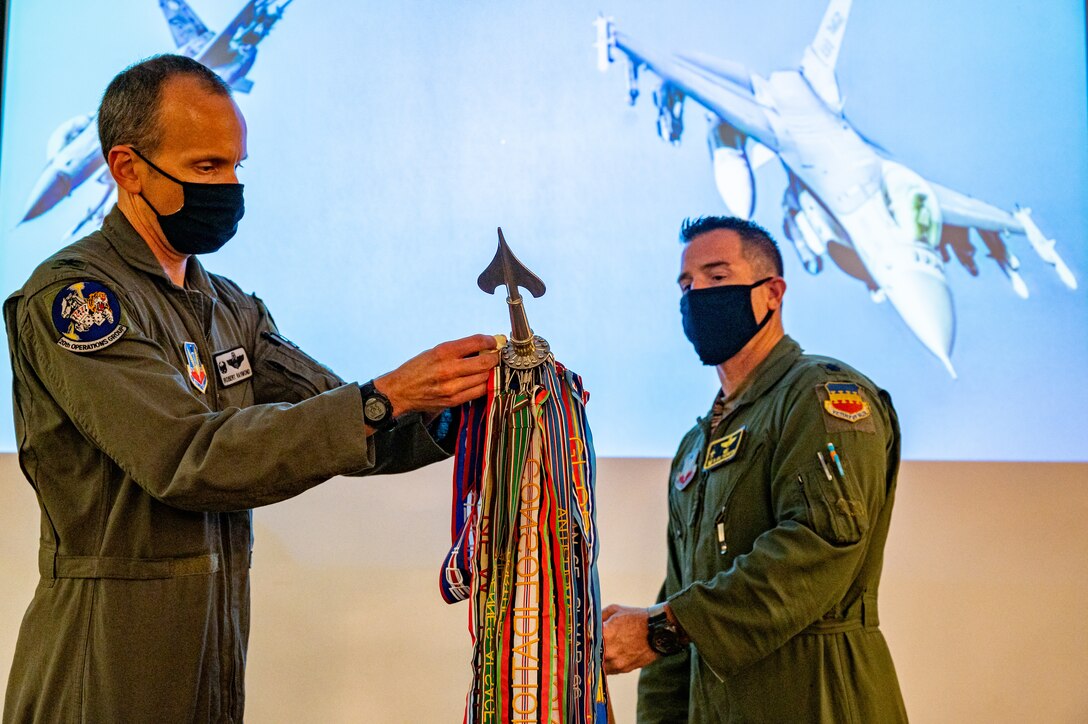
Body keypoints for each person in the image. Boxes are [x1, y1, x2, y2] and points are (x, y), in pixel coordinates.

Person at [2, 54, 499, 722]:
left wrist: (461, 409)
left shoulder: (226, 306)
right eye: (207, 167)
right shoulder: (79, 300)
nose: (230, 186)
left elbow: (342, 422)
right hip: (104, 658)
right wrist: (383, 396)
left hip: (213, 650)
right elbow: (188, 457)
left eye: (237, 166)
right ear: (127, 169)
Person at [601, 216, 907, 722]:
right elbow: (676, 600)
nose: (696, 293)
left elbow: (817, 544)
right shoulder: (697, 445)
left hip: (818, 695)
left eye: (717, 278)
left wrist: (667, 626)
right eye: (686, 284)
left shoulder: (821, 396)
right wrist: (665, 637)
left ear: (772, 293)